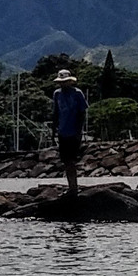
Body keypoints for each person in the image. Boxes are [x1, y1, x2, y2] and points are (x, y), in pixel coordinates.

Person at [52, 68, 88, 196]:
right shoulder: (57, 94)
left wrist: (79, 131)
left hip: (74, 132)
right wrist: (53, 131)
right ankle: (71, 186)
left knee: (71, 160)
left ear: (70, 82)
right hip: (62, 132)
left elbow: (82, 113)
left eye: (65, 81)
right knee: (66, 160)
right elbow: (56, 112)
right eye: (61, 82)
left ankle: (74, 187)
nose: (63, 84)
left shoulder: (77, 93)